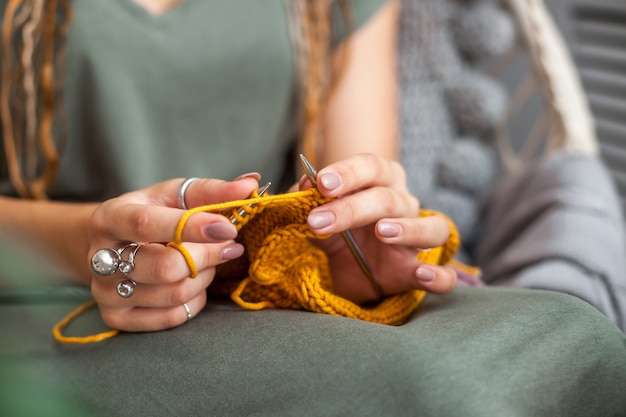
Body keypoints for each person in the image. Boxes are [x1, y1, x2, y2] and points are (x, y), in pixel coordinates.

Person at [1, 1, 625, 416]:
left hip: (264, 301)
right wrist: (89, 244)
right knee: (422, 391)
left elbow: (352, 183)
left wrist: (358, 255)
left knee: (571, 335)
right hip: (44, 298)